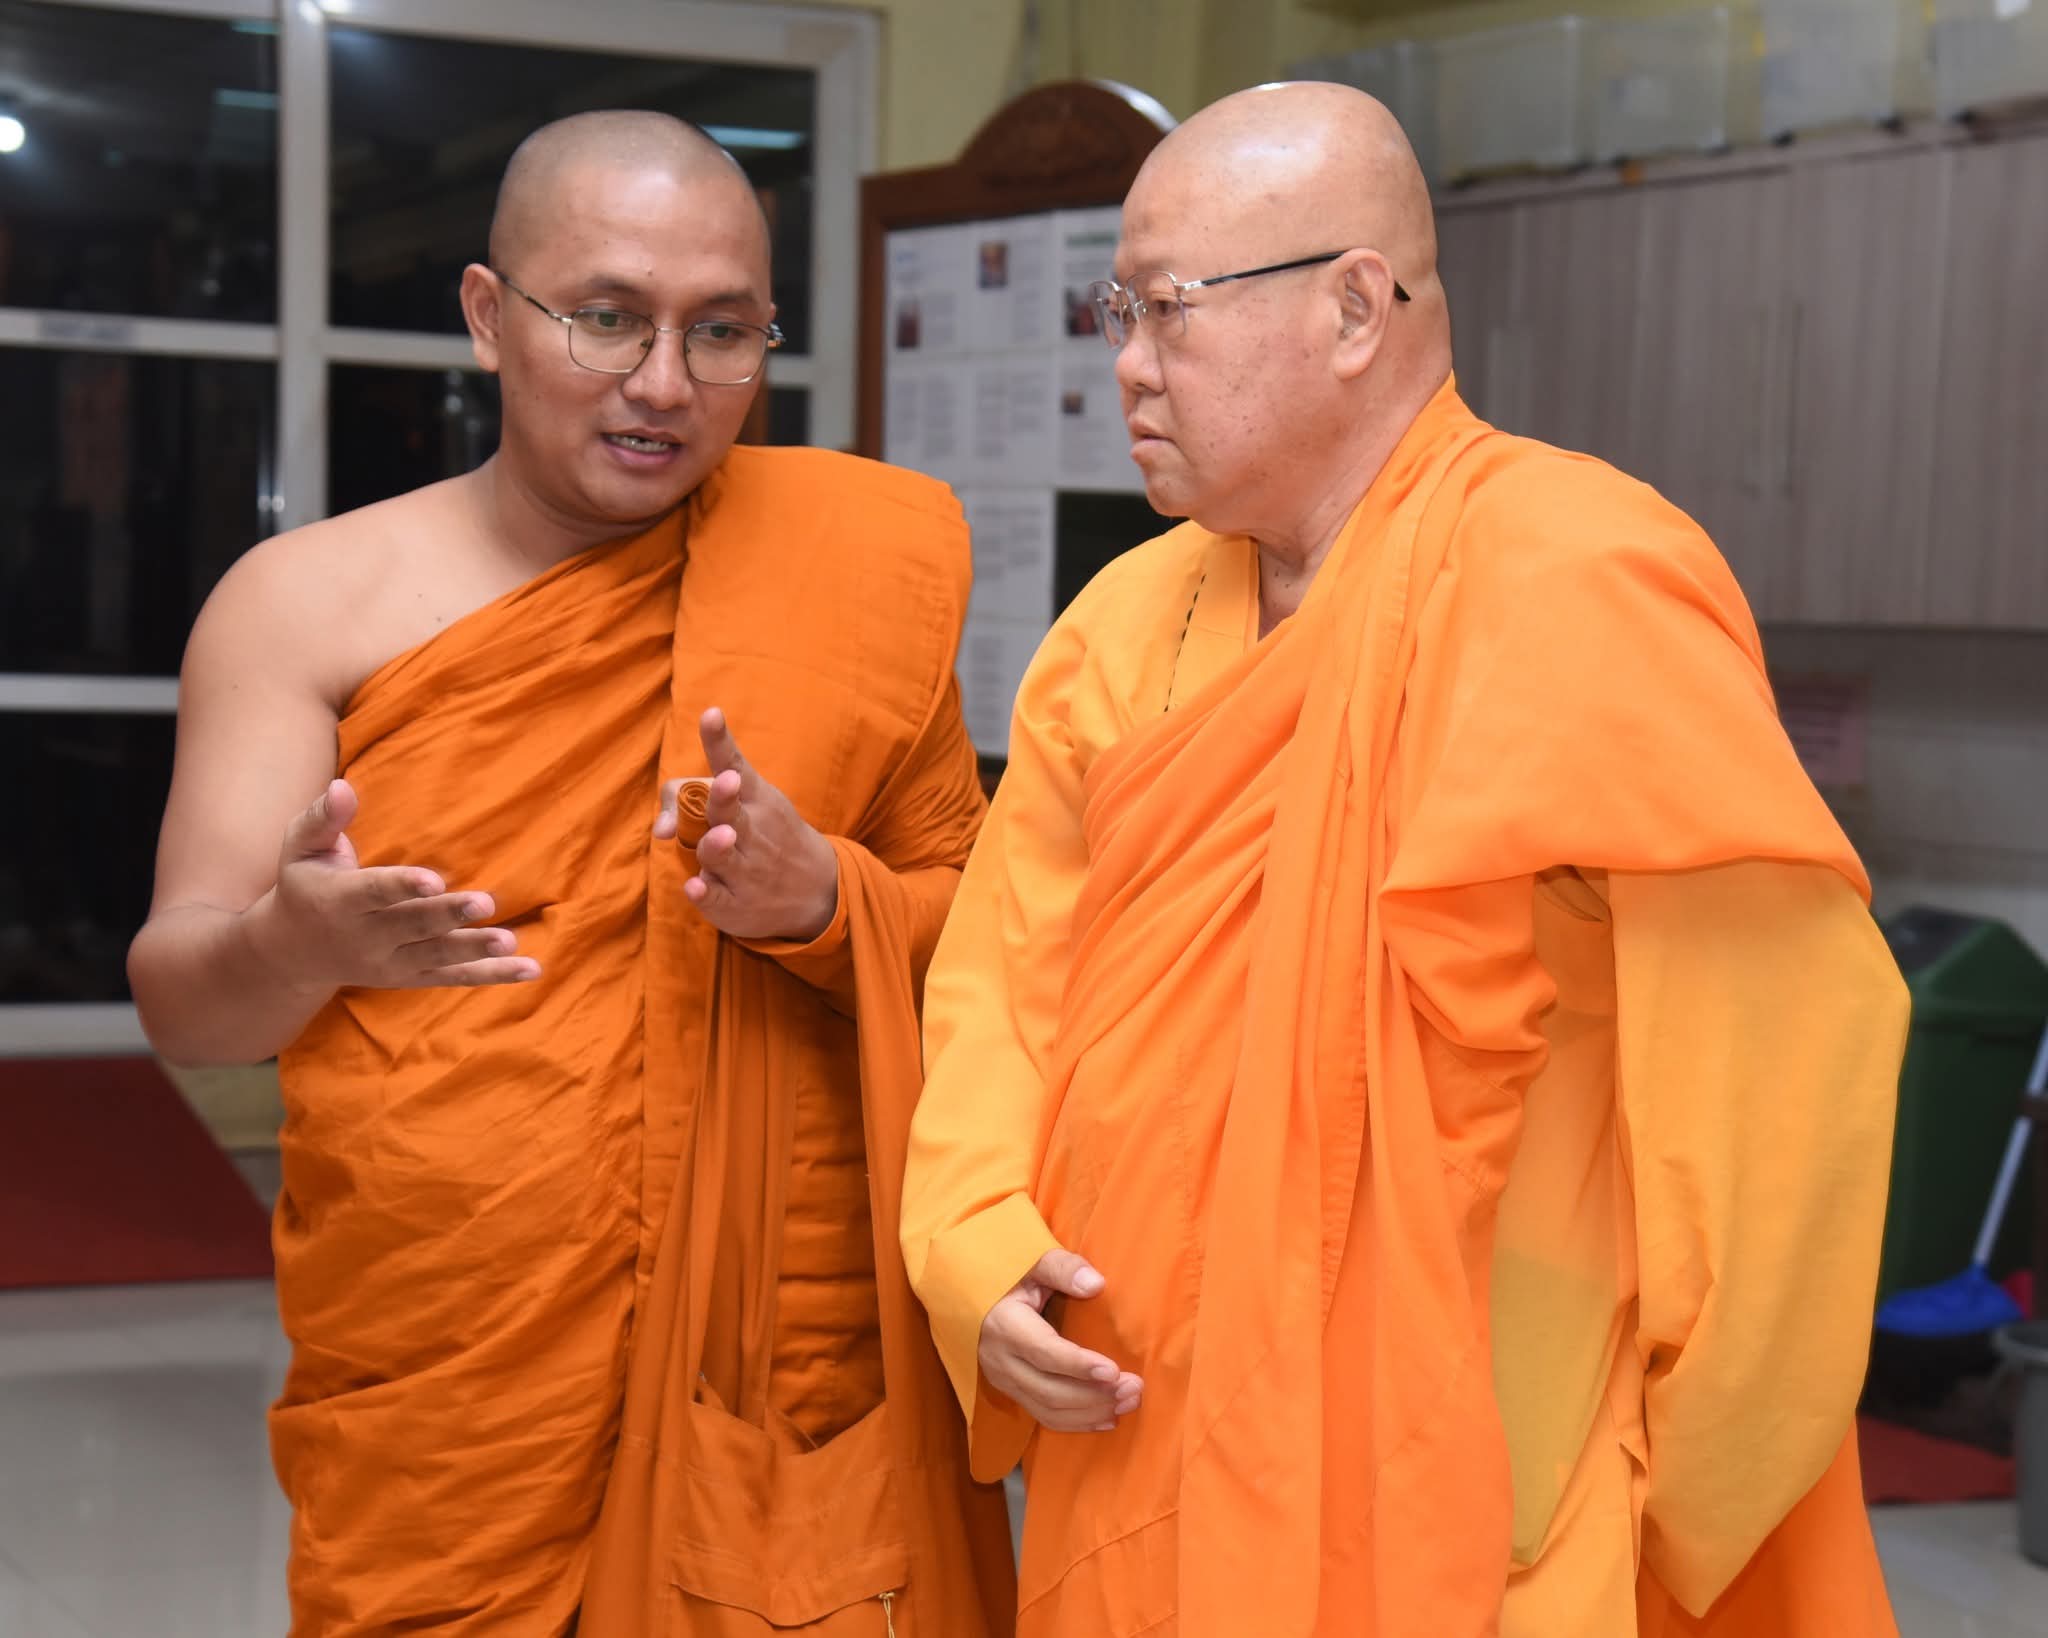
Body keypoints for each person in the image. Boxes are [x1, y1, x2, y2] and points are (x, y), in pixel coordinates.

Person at [899, 81, 1906, 1638]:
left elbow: (1781, 1074)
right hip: (1148, 1430)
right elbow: (1004, 982)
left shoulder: (1580, 574)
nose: (1128, 363)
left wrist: (1681, 1479)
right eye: (1118, 311)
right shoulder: (1118, 630)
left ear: (1355, 308)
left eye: (1167, 310)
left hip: (1483, 1465)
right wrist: (976, 1245)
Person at [129, 111, 1014, 1637]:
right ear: (489, 316)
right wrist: (293, 942)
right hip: (452, 1385)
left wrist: (824, 901)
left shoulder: (855, 567)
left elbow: (994, 944)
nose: (663, 383)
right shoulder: (303, 607)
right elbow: (187, 1003)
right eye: (607, 318)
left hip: (773, 1367)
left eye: (721, 332)